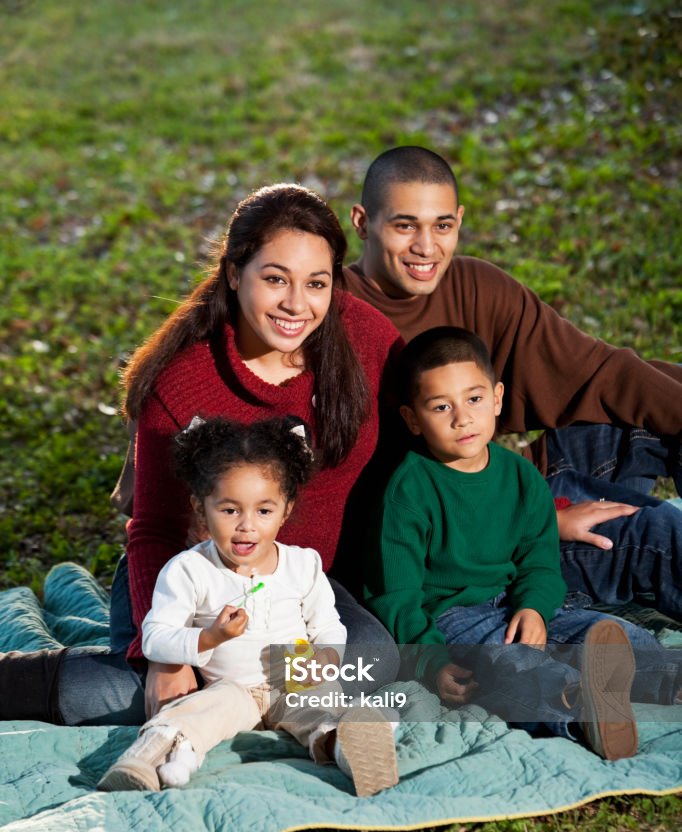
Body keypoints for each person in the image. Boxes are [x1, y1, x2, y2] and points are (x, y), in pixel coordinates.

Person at [0, 184, 403, 728]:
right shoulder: (183, 379)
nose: (296, 304)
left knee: (372, 659)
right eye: (274, 278)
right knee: (143, 694)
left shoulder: (367, 338)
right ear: (235, 272)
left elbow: (429, 430)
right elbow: (154, 530)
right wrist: (163, 655)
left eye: (317, 283)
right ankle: (21, 680)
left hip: (295, 584)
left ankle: (247, 704)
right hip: (193, 583)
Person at [343, 146, 682, 621]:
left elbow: (598, 371)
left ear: (459, 219)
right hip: (463, 551)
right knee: (662, 534)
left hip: (508, 483)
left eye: (442, 225)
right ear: (362, 222)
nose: (427, 246)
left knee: (655, 415)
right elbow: (385, 512)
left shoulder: (476, 286)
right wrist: (546, 522)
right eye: (405, 226)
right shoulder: (332, 312)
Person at [363, 327, 681, 759]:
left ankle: (670, 680)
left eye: (474, 400)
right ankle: (581, 711)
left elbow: (540, 562)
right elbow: (397, 597)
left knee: (610, 634)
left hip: (517, 602)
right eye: (441, 407)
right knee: (510, 666)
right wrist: (431, 662)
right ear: (413, 419)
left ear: (496, 398)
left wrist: (533, 606)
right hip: (452, 620)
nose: (462, 418)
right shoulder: (408, 493)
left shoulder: (521, 478)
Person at [98, 416, 399, 797]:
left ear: (286, 510)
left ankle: (352, 747)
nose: (246, 526)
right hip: (231, 687)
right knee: (196, 713)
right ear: (200, 508)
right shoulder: (190, 569)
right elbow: (156, 637)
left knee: (323, 708)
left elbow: (328, 624)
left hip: (294, 677)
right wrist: (209, 637)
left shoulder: (302, 564)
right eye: (229, 510)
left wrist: (327, 655)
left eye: (263, 510)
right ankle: (148, 759)